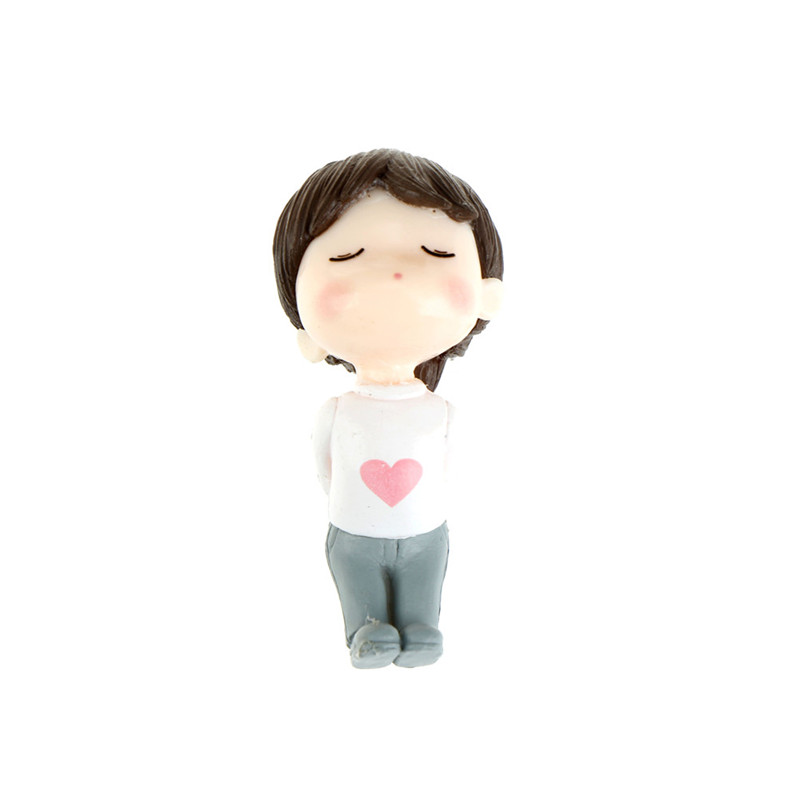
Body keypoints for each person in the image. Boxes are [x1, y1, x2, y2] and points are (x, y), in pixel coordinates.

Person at [273, 149, 504, 668]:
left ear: (487, 296)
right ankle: (366, 627)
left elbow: (450, 471)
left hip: (426, 533)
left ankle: (420, 625)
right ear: (303, 323)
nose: (393, 274)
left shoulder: (443, 412)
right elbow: (325, 470)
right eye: (346, 255)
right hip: (352, 534)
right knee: (358, 583)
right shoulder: (337, 410)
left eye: (436, 252)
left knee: (424, 585)